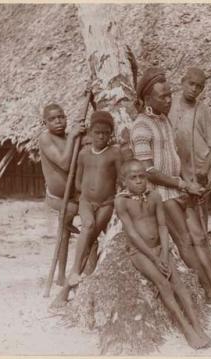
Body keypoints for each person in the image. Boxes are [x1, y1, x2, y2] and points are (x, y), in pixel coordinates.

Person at [130, 67, 211, 308]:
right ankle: (210, 292)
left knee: (201, 238)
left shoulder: (163, 121)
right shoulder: (141, 126)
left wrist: (189, 184)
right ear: (148, 98)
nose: (169, 99)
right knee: (186, 241)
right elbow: (148, 171)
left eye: (170, 94)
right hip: (162, 194)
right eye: (163, 96)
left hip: (180, 189)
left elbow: (174, 159)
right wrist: (183, 184)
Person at [115, 159, 211, 350]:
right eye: (133, 178)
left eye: (142, 176)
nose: (138, 181)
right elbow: (132, 234)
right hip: (140, 252)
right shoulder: (121, 201)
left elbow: (162, 226)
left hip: (161, 249)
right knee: (163, 283)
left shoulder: (155, 196)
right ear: (124, 181)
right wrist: (153, 258)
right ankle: (186, 329)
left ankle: (198, 327)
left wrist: (165, 254)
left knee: (178, 282)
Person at [52, 111, 121, 306]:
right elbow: (79, 182)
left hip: (107, 203)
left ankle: (69, 283)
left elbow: (121, 178)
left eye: (106, 133)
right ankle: (74, 273)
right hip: (86, 202)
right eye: (98, 132)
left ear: (111, 134)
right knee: (88, 226)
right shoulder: (83, 154)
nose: (101, 136)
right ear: (90, 132)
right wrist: (89, 193)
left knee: (89, 240)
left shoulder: (114, 153)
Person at [169, 67, 211, 227]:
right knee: (178, 214)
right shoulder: (170, 104)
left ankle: (204, 245)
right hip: (177, 169)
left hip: (198, 171)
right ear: (182, 82)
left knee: (199, 214)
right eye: (191, 83)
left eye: (199, 86)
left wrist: (205, 169)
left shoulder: (203, 110)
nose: (194, 89)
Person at [39, 103, 84, 286]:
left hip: (75, 196)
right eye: (52, 119)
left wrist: (77, 136)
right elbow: (65, 164)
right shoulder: (45, 138)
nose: (58, 121)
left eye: (61, 117)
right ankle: (61, 275)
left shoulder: (69, 138)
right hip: (58, 198)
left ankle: (76, 272)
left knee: (83, 231)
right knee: (64, 232)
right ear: (45, 123)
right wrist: (74, 136)